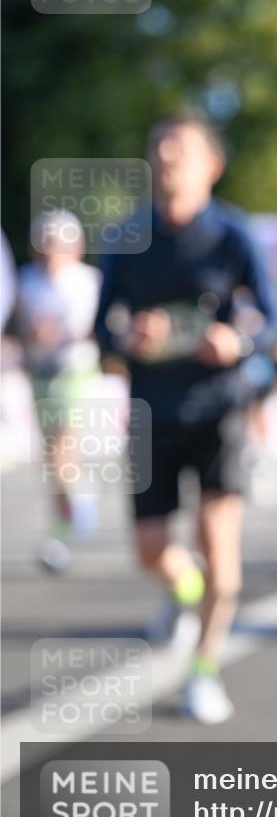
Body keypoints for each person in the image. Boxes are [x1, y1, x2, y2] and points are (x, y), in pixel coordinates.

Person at [94, 113, 277, 724]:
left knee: (219, 550)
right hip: (152, 409)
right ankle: (183, 589)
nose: (168, 157)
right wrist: (130, 335)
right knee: (151, 550)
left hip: (219, 407)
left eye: (181, 149)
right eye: (159, 148)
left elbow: (274, 321)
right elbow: (102, 327)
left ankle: (203, 670)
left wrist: (239, 341)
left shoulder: (234, 235)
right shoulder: (126, 236)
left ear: (211, 165)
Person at [15, 211, 101, 571]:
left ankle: (75, 502)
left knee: (64, 445)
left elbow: (88, 327)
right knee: (53, 458)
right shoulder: (26, 281)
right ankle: (63, 522)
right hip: (39, 370)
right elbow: (17, 324)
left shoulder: (86, 281)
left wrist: (56, 333)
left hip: (74, 368)